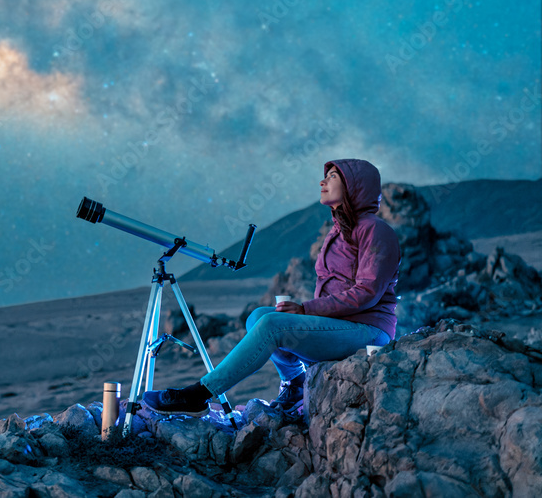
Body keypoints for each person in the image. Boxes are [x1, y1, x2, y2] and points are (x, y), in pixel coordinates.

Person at [143, 158, 400, 416]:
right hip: (342, 325)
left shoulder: (375, 230)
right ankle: (295, 382)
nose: (323, 181)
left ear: (355, 186)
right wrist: (304, 312)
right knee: (258, 317)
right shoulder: (338, 230)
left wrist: (305, 309)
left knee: (272, 325)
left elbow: (367, 293)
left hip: (367, 329)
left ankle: (199, 394)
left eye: (333, 177)